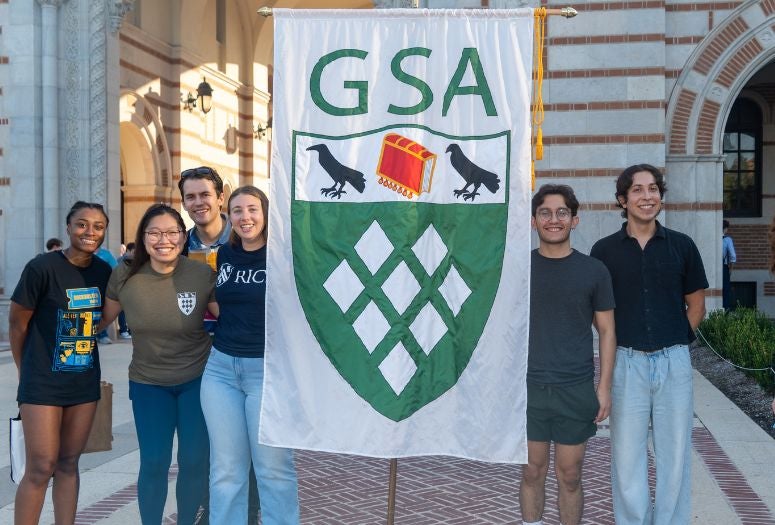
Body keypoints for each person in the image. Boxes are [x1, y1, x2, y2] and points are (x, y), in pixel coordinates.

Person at [590, 164, 708, 525]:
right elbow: (599, 312)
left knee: (675, 455)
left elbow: (697, 305)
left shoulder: (683, 246)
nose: (647, 197)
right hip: (626, 362)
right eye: (638, 190)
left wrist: (672, 340)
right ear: (622, 200)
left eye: (653, 189)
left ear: (660, 196)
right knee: (627, 457)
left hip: (673, 362)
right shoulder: (604, 251)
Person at [96, 204, 215, 525]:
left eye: (172, 232)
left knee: (194, 461)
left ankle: (187, 520)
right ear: (143, 237)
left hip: (198, 382)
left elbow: (229, 318)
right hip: (149, 385)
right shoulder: (124, 273)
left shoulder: (201, 274)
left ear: (183, 235)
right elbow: (100, 321)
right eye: (154, 232)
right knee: (154, 462)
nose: (164, 239)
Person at [200, 185, 300, 524]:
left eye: (252, 209)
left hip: (267, 374)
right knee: (226, 470)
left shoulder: (284, 255)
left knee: (273, 468)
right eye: (238, 210)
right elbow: (218, 301)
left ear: (265, 213)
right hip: (220, 370)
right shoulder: (224, 255)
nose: (245, 217)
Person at [9, 201, 113, 525]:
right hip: (41, 382)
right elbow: (17, 324)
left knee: (69, 463)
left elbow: (99, 321)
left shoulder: (103, 272)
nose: (90, 232)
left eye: (98, 226)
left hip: (82, 381)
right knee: (40, 466)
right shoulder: (42, 268)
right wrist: (25, 369)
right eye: (82, 224)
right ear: (68, 227)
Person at [519, 185, 616, 525]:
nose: (553, 219)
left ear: (574, 220)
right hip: (527, 387)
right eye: (545, 212)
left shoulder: (593, 271)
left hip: (574, 387)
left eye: (562, 213)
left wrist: (603, 387)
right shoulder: (518, 269)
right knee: (532, 470)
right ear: (533, 221)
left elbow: (607, 331)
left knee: (570, 475)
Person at [179, 166, 261, 523]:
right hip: (199, 353)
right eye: (190, 197)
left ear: (220, 197)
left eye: (204, 195)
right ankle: (211, 508)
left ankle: (253, 510)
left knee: (257, 447)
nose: (198, 203)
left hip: (241, 350)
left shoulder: (244, 236)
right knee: (212, 444)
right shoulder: (180, 245)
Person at [116, 242, 135, 339]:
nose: (135, 253)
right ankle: (124, 330)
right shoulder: (123, 260)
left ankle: (126, 330)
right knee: (124, 311)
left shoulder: (120, 260)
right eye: (134, 251)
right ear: (128, 250)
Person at [722, 219, 737, 310]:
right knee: (726, 290)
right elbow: (733, 256)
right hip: (723, 267)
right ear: (725, 228)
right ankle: (725, 312)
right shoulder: (727, 240)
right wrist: (731, 268)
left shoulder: (712, 238)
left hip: (711, 266)